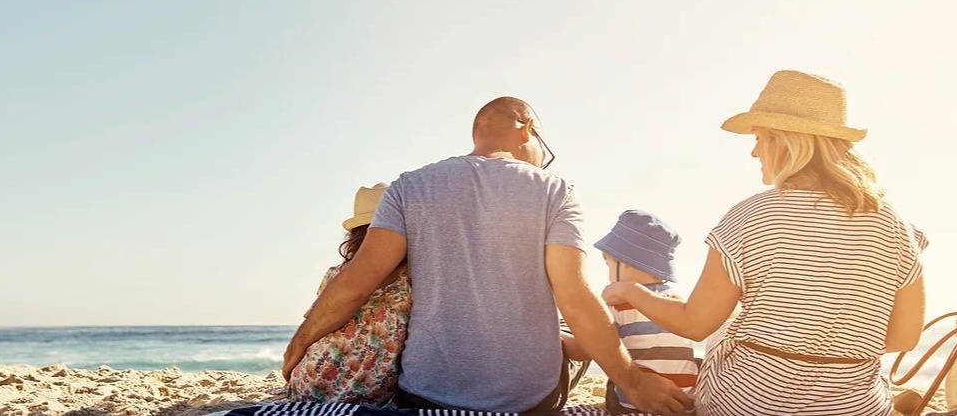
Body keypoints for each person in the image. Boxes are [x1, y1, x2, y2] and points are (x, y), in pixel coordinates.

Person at [283, 96, 691, 414]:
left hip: (425, 397)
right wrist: (632, 380)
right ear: (527, 127)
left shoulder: (409, 187)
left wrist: (300, 340)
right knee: (570, 337)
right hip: (530, 403)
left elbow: (358, 280)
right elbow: (574, 294)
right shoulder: (554, 190)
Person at [600, 70, 928, 416]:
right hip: (856, 408)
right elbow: (904, 338)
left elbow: (693, 324)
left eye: (758, 138)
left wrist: (630, 292)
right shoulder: (896, 225)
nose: (754, 152)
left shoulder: (750, 216)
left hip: (746, 404)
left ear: (783, 140)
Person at [284, 183, 410, 407]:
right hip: (374, 388)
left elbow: (316, 317)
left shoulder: (338, 276)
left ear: (355, 234)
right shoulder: (411, 278)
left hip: (314, 379)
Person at [591, 210, 702, 415]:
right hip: (683, 406)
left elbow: (588, 346)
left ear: (623, 262)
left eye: (608, 264)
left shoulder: (618, 307)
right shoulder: (676, 300)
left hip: (636, 407)